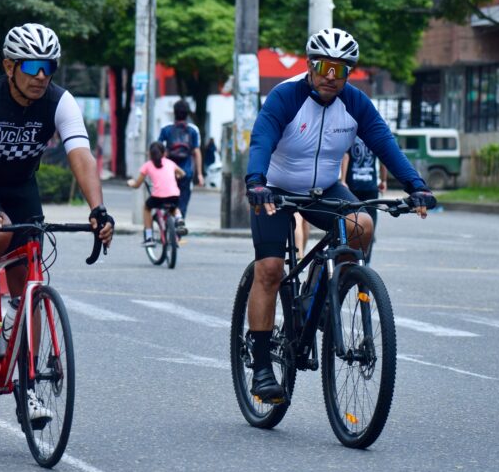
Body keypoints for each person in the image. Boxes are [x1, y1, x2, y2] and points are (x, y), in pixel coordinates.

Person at [244, 28, 436, 402]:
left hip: (325, 189)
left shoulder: (356, 103)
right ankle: (263, 365)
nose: (332, 75)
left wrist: (417, 186)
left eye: (342, 69)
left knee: (362, 225)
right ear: (310, 65)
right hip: (275, 188)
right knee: (270, 269)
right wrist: (256, 182)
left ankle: (315, 293)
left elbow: (384, 142)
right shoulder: (286, 95)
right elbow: (262, 138)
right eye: (324, 66)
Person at [0, 23, 114, 422]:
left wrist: (98, 208)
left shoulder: (60, 101)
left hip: (21, 184)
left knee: (30, 285)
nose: (43, 75)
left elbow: (80, 154)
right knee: (0, 231)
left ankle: (27, 385)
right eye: (34, 65)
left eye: (50, 66)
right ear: (9, 65)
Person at [127, 141, 187, 246]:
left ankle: (149, 237)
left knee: (146, 208)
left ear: (149, 154)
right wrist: (177, 176)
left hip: (158, 197)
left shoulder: (147, 165)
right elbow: (182, 173)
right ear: (164, 153)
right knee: (173, 208)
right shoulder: (170, 163)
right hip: (174, 195)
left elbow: (137, 184)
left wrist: (131, 183)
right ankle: (179, 218)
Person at [341, 137, 388, 262]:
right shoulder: (372, 136)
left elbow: (346, 157)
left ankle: (348, 260)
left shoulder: (351, 135)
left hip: (352, 187)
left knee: (350, 225)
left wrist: (343, 180)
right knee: (369, 228)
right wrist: (383, 180)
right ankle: (365, 263)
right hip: (370, 187)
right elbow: (383, 159)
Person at [157, 99, 203, 219]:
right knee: (183, 199)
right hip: (186, 172)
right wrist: (199, 174)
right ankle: (179, 220)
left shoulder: (166, 129)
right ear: (187, 114)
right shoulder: (193, 130)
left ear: (174, 113)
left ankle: (168, 220)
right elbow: (196, 152)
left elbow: (157, 150)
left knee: (167, 197)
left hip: (168, 172)